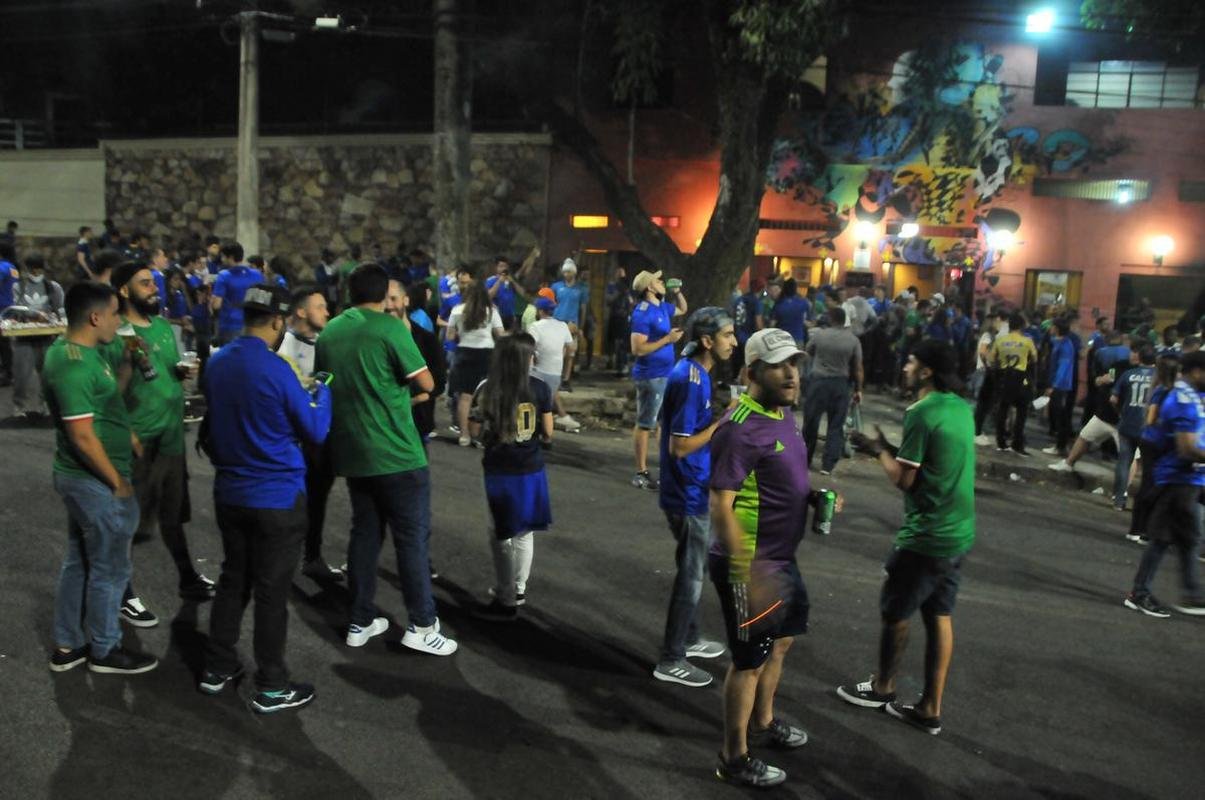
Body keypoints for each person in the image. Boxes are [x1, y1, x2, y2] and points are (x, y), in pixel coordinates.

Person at [198, 284, 332, 712]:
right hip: (276, 495)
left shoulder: (217, 363)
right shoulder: (279, 369)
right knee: (272, 591)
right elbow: (315, 429)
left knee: (234, 577)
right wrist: (324, 391)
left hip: (231, 492)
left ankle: (218, 667)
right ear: (277, 321)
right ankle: (272, 684)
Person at [314, 264, 456, 655]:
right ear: (382, 295)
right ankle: (422, 624)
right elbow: (427, 383)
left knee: (365, 536)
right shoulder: (390, 328)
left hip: (353, 452)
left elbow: (324, 384)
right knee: (411, 540)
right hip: (397, 452)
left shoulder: (330, 332)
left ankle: (359, 620)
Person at [839, 340, 975, 737]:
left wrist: (878, 450)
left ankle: (883, 687)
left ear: (927, 371)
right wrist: (887, 448)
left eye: (912, 362)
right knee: (939, 614)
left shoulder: (922, 412)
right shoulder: (960, 408)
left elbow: (904, 478)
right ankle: (931, 707)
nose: (905, 367)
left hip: (926, 534)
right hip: (959, 530)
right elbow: (934, 461)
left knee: (895, 612)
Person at [708, 328, 814, 788]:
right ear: (752, 373)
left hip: (781, 557)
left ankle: (763, 723)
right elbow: (719, 504)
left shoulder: (784, 418)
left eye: (794, 363)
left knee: (783, 640)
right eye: (779, 366)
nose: (791, 374)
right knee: (749, 660)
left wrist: (813, 496)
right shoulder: (740, 429)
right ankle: (733, 758)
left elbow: (781, 479)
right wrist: (743, 572)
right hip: (749, 563)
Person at [43, 281, 157, 675]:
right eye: (113, 314)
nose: (119, 322)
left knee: (79, 561)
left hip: (88, 479)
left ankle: (67, 644)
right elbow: (82, 436)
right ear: (95, 317)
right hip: (94, 481)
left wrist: (127, 367)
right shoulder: (73, 362)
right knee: (110, 569)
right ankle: (105, 649)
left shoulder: (89, 355)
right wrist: (117, 482)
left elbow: (106, 399)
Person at [107, 261, 213, 629]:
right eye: (145, 283)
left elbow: (163, 372)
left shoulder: (164, 329)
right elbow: (110, 395)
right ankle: (123, 595)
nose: (155, 288)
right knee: (128, 524)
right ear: (124, 291)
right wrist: (127, 435)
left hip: (171, 439)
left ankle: (188, 578)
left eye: (154, 283)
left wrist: (180, 373)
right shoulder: (118, 335)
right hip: (140, 443)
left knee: (172, 515)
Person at [653, 308, 736, 688]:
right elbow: (680, 447)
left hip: (690, 486)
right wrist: (726, 422)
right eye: (728, 335)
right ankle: (671, 658)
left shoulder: (695, 374)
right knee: (691, 576)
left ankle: (689, 637)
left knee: (693, 566)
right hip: (687, 491)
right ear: (707, 341)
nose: (733, 342)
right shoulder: (690, 379)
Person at [468, 333, 555, 621]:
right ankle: (518, 588)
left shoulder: (488, 387)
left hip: (500, 469)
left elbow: (475, 429)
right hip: (531, 467)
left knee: (501, 533)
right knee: (524, 530)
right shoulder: (540, 388)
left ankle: (506, 598)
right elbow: (549, 432)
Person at [1122, 350, 1205, 618]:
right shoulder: (1182, 399)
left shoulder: (1192, 395)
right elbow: (1186, 448)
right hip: (1177, 479)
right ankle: (1139, 592)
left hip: (1188, 479)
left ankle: (1192, 594)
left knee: (1189, 538)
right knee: (1162, 539)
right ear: (1197, 372)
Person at [276, 286, 342, 582]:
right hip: (296, 442)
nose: (327, 312)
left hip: (322, 438)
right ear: (301, 311)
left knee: (317, 501)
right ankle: (283, 562)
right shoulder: (284, 348)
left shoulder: (324, 343)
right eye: (320, 306)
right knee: (293, 503)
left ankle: (311, 557)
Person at [629, 269, 688, 490]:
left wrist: (678, 292)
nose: (662, 281)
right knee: (645, 423)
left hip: (665, 374)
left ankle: (666, 466)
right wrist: (668, 339)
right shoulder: (643, 313)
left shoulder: (662, 307)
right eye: (658, 280)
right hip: (651, 376)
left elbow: (682, 309)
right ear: (650, 287)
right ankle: (641, 471)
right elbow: (638, 349)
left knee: (664, 423)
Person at [803, 306, 863, 475]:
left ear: (830, 319)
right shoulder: (853, 340)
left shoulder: (819, 335)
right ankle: (827, 465)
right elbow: (858, 368)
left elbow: (808, 351)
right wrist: (858, 389)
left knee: (811, 422)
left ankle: (805, 458)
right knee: (836, 425)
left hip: (818, 382)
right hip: (840, 384)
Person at [1127, 355, 1180, 544]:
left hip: (1158, 442)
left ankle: (1145, 528)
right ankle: (1139, 528)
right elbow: (1151, 419)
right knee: (1150, 484)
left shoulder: (1169, 391)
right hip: (1154, 442)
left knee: (1156, 485)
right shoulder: (1163, 391)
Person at [448, 278, 505, 447]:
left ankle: (464, 434)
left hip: (464, 354)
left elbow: (449, 336)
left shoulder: (457, 310)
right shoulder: (491, 312)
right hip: (487, 355)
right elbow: (501, 335)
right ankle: (481, 434)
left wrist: (462, 335)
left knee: (465, 397)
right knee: (486, 396)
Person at [10, 253, 65, 418]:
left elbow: (60, 309)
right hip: (24, 338)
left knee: (47, 374)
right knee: (21, 375)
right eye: (33, 271)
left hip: (47, 337)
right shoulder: (18, 287)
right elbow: (14, 308)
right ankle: (20, 406)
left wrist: (56, 320)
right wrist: (32, 314)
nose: (36, 274)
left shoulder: (52, 287)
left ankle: (46, 405)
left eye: (39, 270)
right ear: (27, 270)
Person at [528, 296, 583, 432]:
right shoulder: (563, 326)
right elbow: (571, 348)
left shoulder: (535, 326)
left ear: (540, 311)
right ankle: (548, 437)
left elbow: (529, 347)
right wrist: (560, 356)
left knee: (534, 405)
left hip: (538, 373)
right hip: (555, 373)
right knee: (547, 407)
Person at [990, 312, 1039, 456]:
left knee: (1003, 410)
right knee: (1022, 412)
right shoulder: (1027, 341)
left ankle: (1001, 442)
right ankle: (1017, 443)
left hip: (1005, 377)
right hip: (1021, 378)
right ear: (1022, 326)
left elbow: (992, 360)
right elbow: (1034, 359)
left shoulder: (1000, 340)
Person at [211, 242, 265, 346]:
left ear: (230, 257)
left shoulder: (224, 276)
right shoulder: (257, 274)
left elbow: (216, 305)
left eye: (223, 256)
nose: (222, 259)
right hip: (252, 324)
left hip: (230, 325)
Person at [551, 259, 589, 392]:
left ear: (574, 272)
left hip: (572, 323)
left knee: (570, 353)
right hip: (557, 321)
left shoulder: (581, 289)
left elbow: (583, 308)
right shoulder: (556, 286)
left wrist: (581, 327)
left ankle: (566, 379)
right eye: (565, 271)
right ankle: (556, 377)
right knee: (558, 352)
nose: (567, 274)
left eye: (569, 271)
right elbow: (551, 303)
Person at [1041, 320, 1077, 456]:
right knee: (1057, 415)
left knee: (1061, 416)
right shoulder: (1058, 342)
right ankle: (1061, 445)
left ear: (1056, 328)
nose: (1049, 328)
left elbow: (1063, 367)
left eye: (1052, 326)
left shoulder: (1065, 346)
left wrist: (1054, 386)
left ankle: (1060, 446)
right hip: (1056, 383)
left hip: (1061, 385)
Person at [606, 266, 633, 375]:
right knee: (612, 341)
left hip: (624, 319)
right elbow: (608, 301)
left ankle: (622, 366)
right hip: (614, 317)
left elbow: (632, 303)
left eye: (622, 275)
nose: (621, 277)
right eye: (619, 274)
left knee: (622, 343)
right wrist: (618, 293)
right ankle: (612, 362)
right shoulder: (612, 287)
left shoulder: (627, 290)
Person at [486, 257, 525, 332]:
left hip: (511, 316)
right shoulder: (491, 280)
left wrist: (513, 281)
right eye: (501, 266)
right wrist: (499, 282)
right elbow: (488, 296)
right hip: (497, 316)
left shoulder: (511, 280)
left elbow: (522, 293)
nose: (503, 268)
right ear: (496, 268)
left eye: (505, 266)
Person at [769, 279, 811, 346]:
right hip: (798, 339)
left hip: (781, 340)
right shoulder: (804, 303)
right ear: (795, 289)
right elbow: (809, 322)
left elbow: (772, 325)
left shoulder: (778, 304)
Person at [0, 241, 17, 386]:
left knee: (3, 342)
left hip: (1, 308)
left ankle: (7, 373)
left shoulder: (2, 267)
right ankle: (8, 370)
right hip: (10, 307)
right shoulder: (13, 267)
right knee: (5, 341)